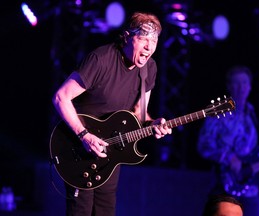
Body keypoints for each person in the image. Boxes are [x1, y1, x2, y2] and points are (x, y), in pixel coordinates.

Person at [52, 12, 172, 216]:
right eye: (143, 39)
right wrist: (84, 135)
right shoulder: (101, 59)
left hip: (111, 154)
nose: (149, 47)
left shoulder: (149, 69)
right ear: (127, 36)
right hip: (78, 149)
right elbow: (61, 97)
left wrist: (154, 123)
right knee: (80, 210)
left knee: (106, 211)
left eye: (154, 41)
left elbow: (139, 115)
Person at [197, 65, 259, 216]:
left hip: (249, 185)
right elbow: (203, 145)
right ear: (229, 86)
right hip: (224, 183)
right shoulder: (219, 111)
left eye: (244, 83)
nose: (241, 88)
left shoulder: (251, 112)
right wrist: (228, 157)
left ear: (250, 87)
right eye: (236, 83)